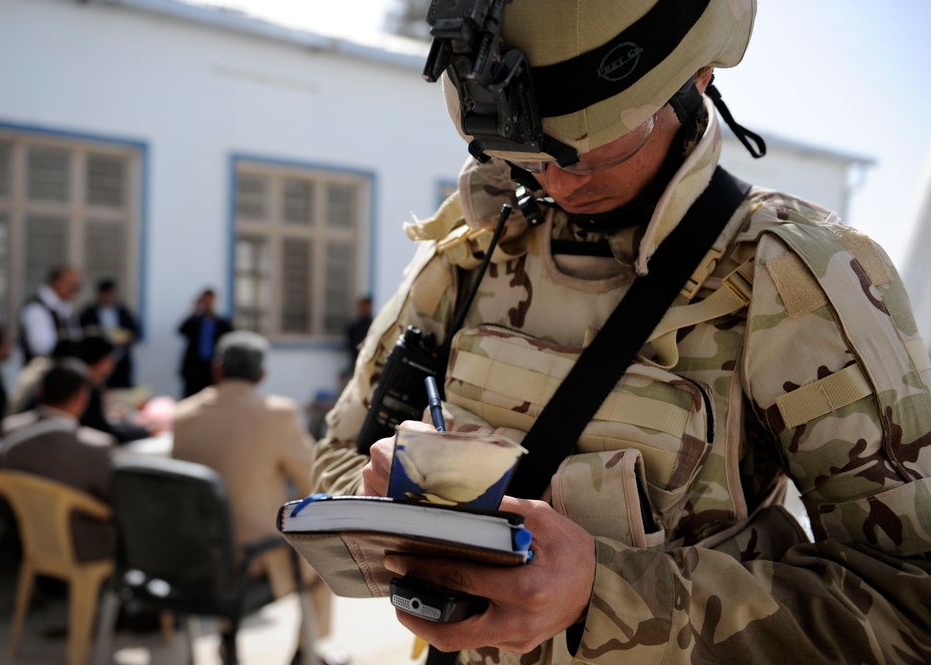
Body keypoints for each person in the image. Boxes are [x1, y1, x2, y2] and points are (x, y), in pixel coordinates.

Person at [311, 2, 931, 664]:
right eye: (535, 147)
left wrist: (605, 591)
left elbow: (908, 607)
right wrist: (386, 504)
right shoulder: (470, 247)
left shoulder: (792, 277)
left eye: (591, 142)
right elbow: (336, 461)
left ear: (693, 81)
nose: (558, 178)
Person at [172, 331, 337, 665]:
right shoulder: (278, 414)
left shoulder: (182, 415)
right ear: (262, 375)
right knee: (328, 560)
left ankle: (225, 637)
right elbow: (316, 483)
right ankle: (307, 654)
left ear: (217, 369)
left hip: (189, 558)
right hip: (252, 563)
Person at [0, 359, 115, 561]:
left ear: (40, 392)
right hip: (79, 543)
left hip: (26, 534)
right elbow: (112, 496)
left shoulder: (10, 428)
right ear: (82, 396)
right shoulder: (95, 446)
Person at [74, 335, 154, 444]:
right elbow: (103, 431)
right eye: (111, 358)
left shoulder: (85, 384)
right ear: (102, 359)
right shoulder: (86, 389)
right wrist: (145, 432)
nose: (113, 364)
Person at [79, 279, 141, 389]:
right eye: (105, 294)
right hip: (97, 362)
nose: (107, 297)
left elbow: (135, 333)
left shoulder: (123, 312)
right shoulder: (89, 312)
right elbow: (82, 333)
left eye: (110, 294)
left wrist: (124, 338)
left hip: (121, 362)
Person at [18, 265, 83, 365]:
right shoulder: (36, 309)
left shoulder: (66, 307)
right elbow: (41, 348)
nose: (75, 291)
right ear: (57, 283)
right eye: (72, 286)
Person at [177, 289, 233, 398]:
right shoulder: (196, 320)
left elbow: (230, 335)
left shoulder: (220, 322)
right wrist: (195, 311)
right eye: (205, 300)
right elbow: (182, 330)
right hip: (194, 366)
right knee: (191, 396)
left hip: (212, 366)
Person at [345, 295, 373, 371]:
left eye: (367, 307)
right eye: (363, 307)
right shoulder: (353, 328)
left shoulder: (374, 326)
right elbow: (351, 347)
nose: (365, 309)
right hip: (356, 364)